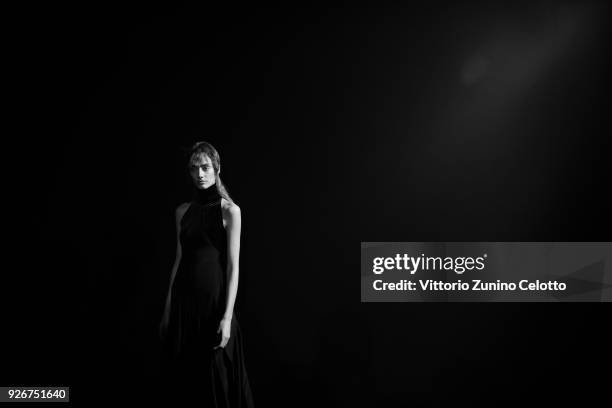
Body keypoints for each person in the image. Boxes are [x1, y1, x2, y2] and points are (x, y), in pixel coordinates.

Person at [159, 141, 255, 406]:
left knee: (218, 385)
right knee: (187, 384)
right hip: (184, 306)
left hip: (213, 305)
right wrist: (168, 310)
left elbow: (233, 267)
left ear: (217, 168)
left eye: (205, 167)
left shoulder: (229, 211)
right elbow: (178, 261)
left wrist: (226, 318)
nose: (199, 174)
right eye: (193, 169)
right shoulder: (182, 212)